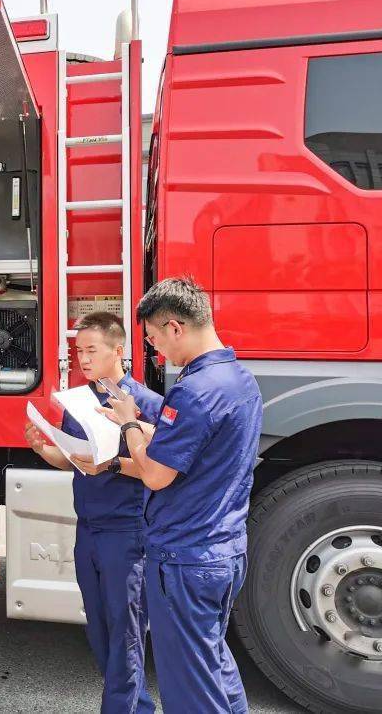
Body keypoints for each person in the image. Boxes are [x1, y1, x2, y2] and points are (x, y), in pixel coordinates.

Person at [98, 278, 262, 714]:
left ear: (175, 327)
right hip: (224, 549)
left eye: (154, 339)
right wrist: (146, 433)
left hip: (185, 557)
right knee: (212, 663)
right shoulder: (239, 379)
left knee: (189, 689)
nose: (155, 351)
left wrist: (128, 422)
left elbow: (154, 475)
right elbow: (200, 448)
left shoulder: (194, 390)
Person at [24, 312, 162, 713]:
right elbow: (75, 460)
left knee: (125, 633)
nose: (82, 359)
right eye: (77, 351)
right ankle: (138, 707)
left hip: (126, 532)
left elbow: (159, 472)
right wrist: (42, 448)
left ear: (118, 351)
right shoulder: (79, 401)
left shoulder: (146, 405)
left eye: (91, 350)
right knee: (99, 631)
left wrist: (113, 465)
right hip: (87, 529)